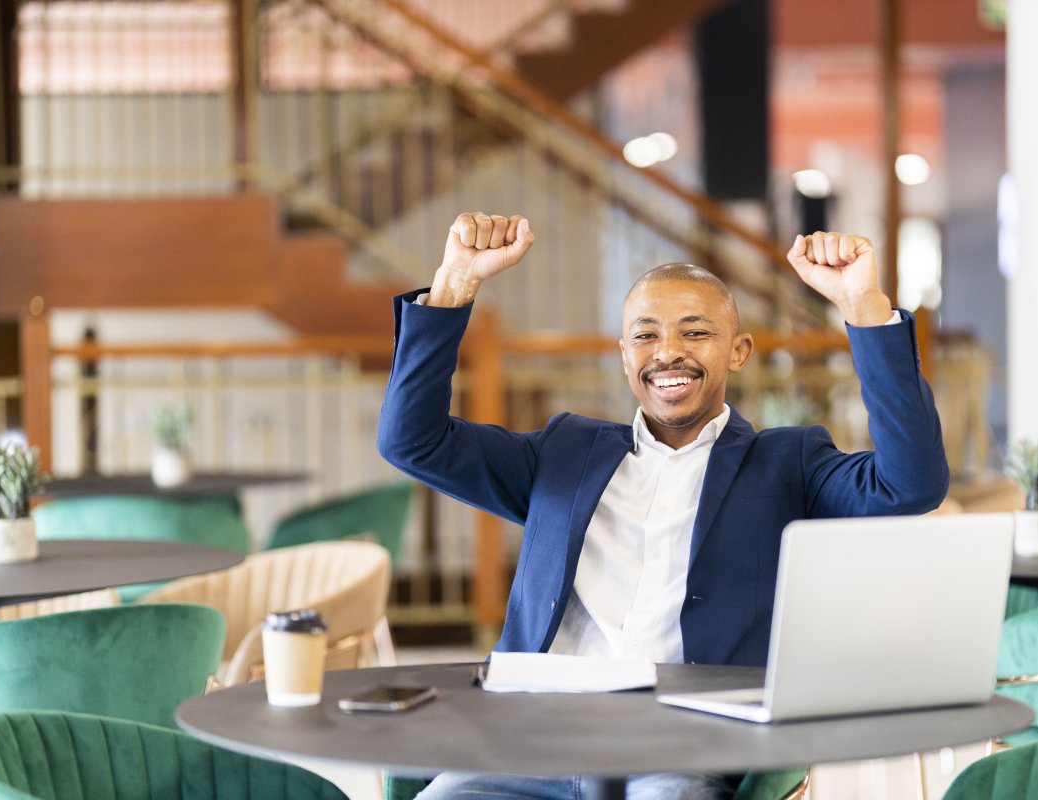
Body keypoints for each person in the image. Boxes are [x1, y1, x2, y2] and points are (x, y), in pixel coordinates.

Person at [377, 212, 948, 799]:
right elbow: (410, 440)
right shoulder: (564, 452)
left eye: (695, 332)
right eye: (646, 335)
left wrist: (864, 305)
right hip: (537, 735)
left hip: (686, 746)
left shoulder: (789, 462)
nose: (667, 352)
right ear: (625, 355)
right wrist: (453, 286)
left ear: (738, 350)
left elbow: (911, 483)